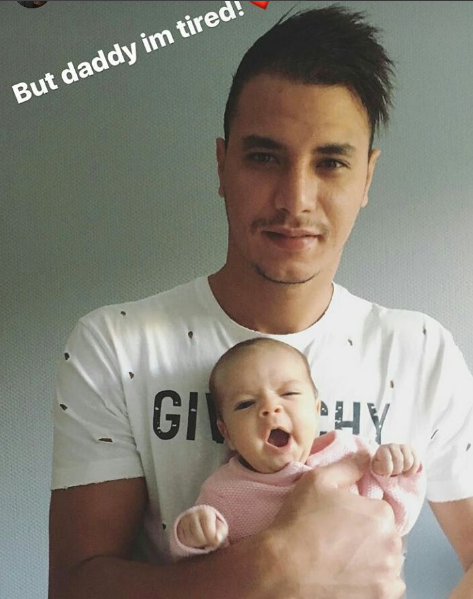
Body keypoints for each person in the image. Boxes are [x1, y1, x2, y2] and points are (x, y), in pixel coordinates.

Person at [49, 6, 473, 599]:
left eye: (331, 162)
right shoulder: (115, 345)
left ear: (367, 177)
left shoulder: (422, 352)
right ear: (222, 165)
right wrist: (269, 568)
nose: (296, 199)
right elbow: (74, 586)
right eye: (265, 157)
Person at [171, 338, 426, 558]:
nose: (270, 407)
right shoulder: (224, 492)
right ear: (227, 433)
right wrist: (193, 534)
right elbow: (201, 568)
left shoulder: (353, 453)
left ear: (316, 410)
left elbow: (399, 520)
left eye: (289, 393)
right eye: (246, 403)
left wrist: (397, 472)